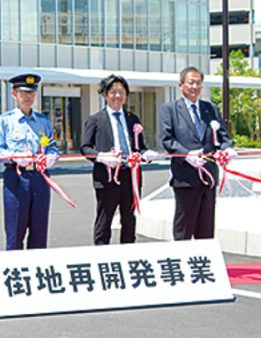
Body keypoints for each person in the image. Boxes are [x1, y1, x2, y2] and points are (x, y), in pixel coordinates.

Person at [80, 75, 159, 245]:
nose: (117, 96)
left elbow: (139, 147)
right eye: (113, 92)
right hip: (107, 177)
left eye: (121, 92)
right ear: (104, 95)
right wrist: (102, 157)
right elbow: (85, 148)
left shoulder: (132, 119)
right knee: (104, 219)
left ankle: (128, 256)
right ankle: (102, 258)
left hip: (131, 177)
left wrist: (146, 155)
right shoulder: (96, 119)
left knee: (129, 220)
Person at [159, 66, 235, 240]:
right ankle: (183, 263)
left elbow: (222, 136)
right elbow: (167, 139)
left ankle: (204, 264)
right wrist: (187, 155)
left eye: (199, 83)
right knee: (183, 227)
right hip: (185, 177)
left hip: (208, 177)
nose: (195, 87)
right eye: (191, 82)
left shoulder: (211, 109)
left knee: (206, 228)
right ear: (181, 85)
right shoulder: (170, 109)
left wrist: (227, 149)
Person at [0, 73, 60, 250]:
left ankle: (36, 271)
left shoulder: (43, 121)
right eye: (24, 93)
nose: (28, 97)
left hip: (40, 177)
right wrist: (14, 157)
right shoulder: (5, 120)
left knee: (39, 231)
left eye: (32, 93)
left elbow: (52, 147)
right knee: (15, 231)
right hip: (16, 177)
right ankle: (14, 273)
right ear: (14, 94)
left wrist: (51, 157)